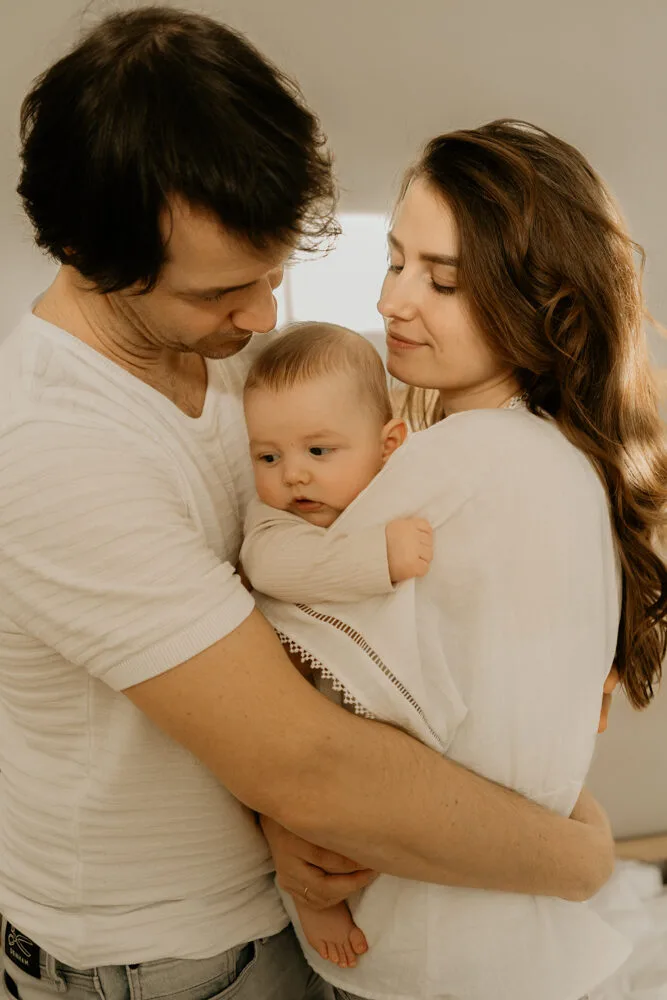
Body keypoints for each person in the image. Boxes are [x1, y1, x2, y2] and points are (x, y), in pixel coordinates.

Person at [0, 7, 619, 1000]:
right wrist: (580, 861)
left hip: (285, 911)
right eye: (221, 293)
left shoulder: (237, 360)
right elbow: (306, 762)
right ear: (87, 254)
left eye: (273, 273)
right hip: (171, 962)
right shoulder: (51, 448)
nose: (259, 317)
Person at [237, 120, 667, 1000]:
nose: (393, 301)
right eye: (395, 262)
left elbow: (279, 695)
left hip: (425, 949)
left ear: (538, 304)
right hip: (496, 943)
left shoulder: (466, 459)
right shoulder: (556, 456)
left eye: (441, 280)